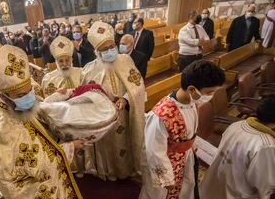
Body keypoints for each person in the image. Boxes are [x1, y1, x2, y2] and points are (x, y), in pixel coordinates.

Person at [0, 45, 83, 199]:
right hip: (33, 190)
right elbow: (37, 166)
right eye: (22, 94)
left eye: (30, 89)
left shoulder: (15, 103)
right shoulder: (1, 128)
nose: (29, 96)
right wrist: (69, 148)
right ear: (5, 94)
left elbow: (37, 108)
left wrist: (55, 97)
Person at [139, 60, 225, 199]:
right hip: (167, 164)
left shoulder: (192, 101)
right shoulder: (162, 115)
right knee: (161, 195)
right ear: (191, 89)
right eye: (209, 92)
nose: (211, 96)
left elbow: (190, 131)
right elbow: (153, 150)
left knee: (186, 188)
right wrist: (166, 178)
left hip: (186, 157)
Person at [81, 21, 146, 181]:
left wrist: (124, 99)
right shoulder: (89, 69)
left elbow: (137, 86)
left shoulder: (125, 60)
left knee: (124, 142)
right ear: (97, 51)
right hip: (104, 118)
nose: (110, 51)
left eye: (112, 47)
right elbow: (84, 98)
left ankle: (128, 169)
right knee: (108, 145)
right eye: (105, 49)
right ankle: (110, 171)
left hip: (123, 114)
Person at [200, 96, 275, 199]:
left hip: (211, 186)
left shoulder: (237, 124)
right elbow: (265, 184)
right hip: (236, 194)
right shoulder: (265, 145)